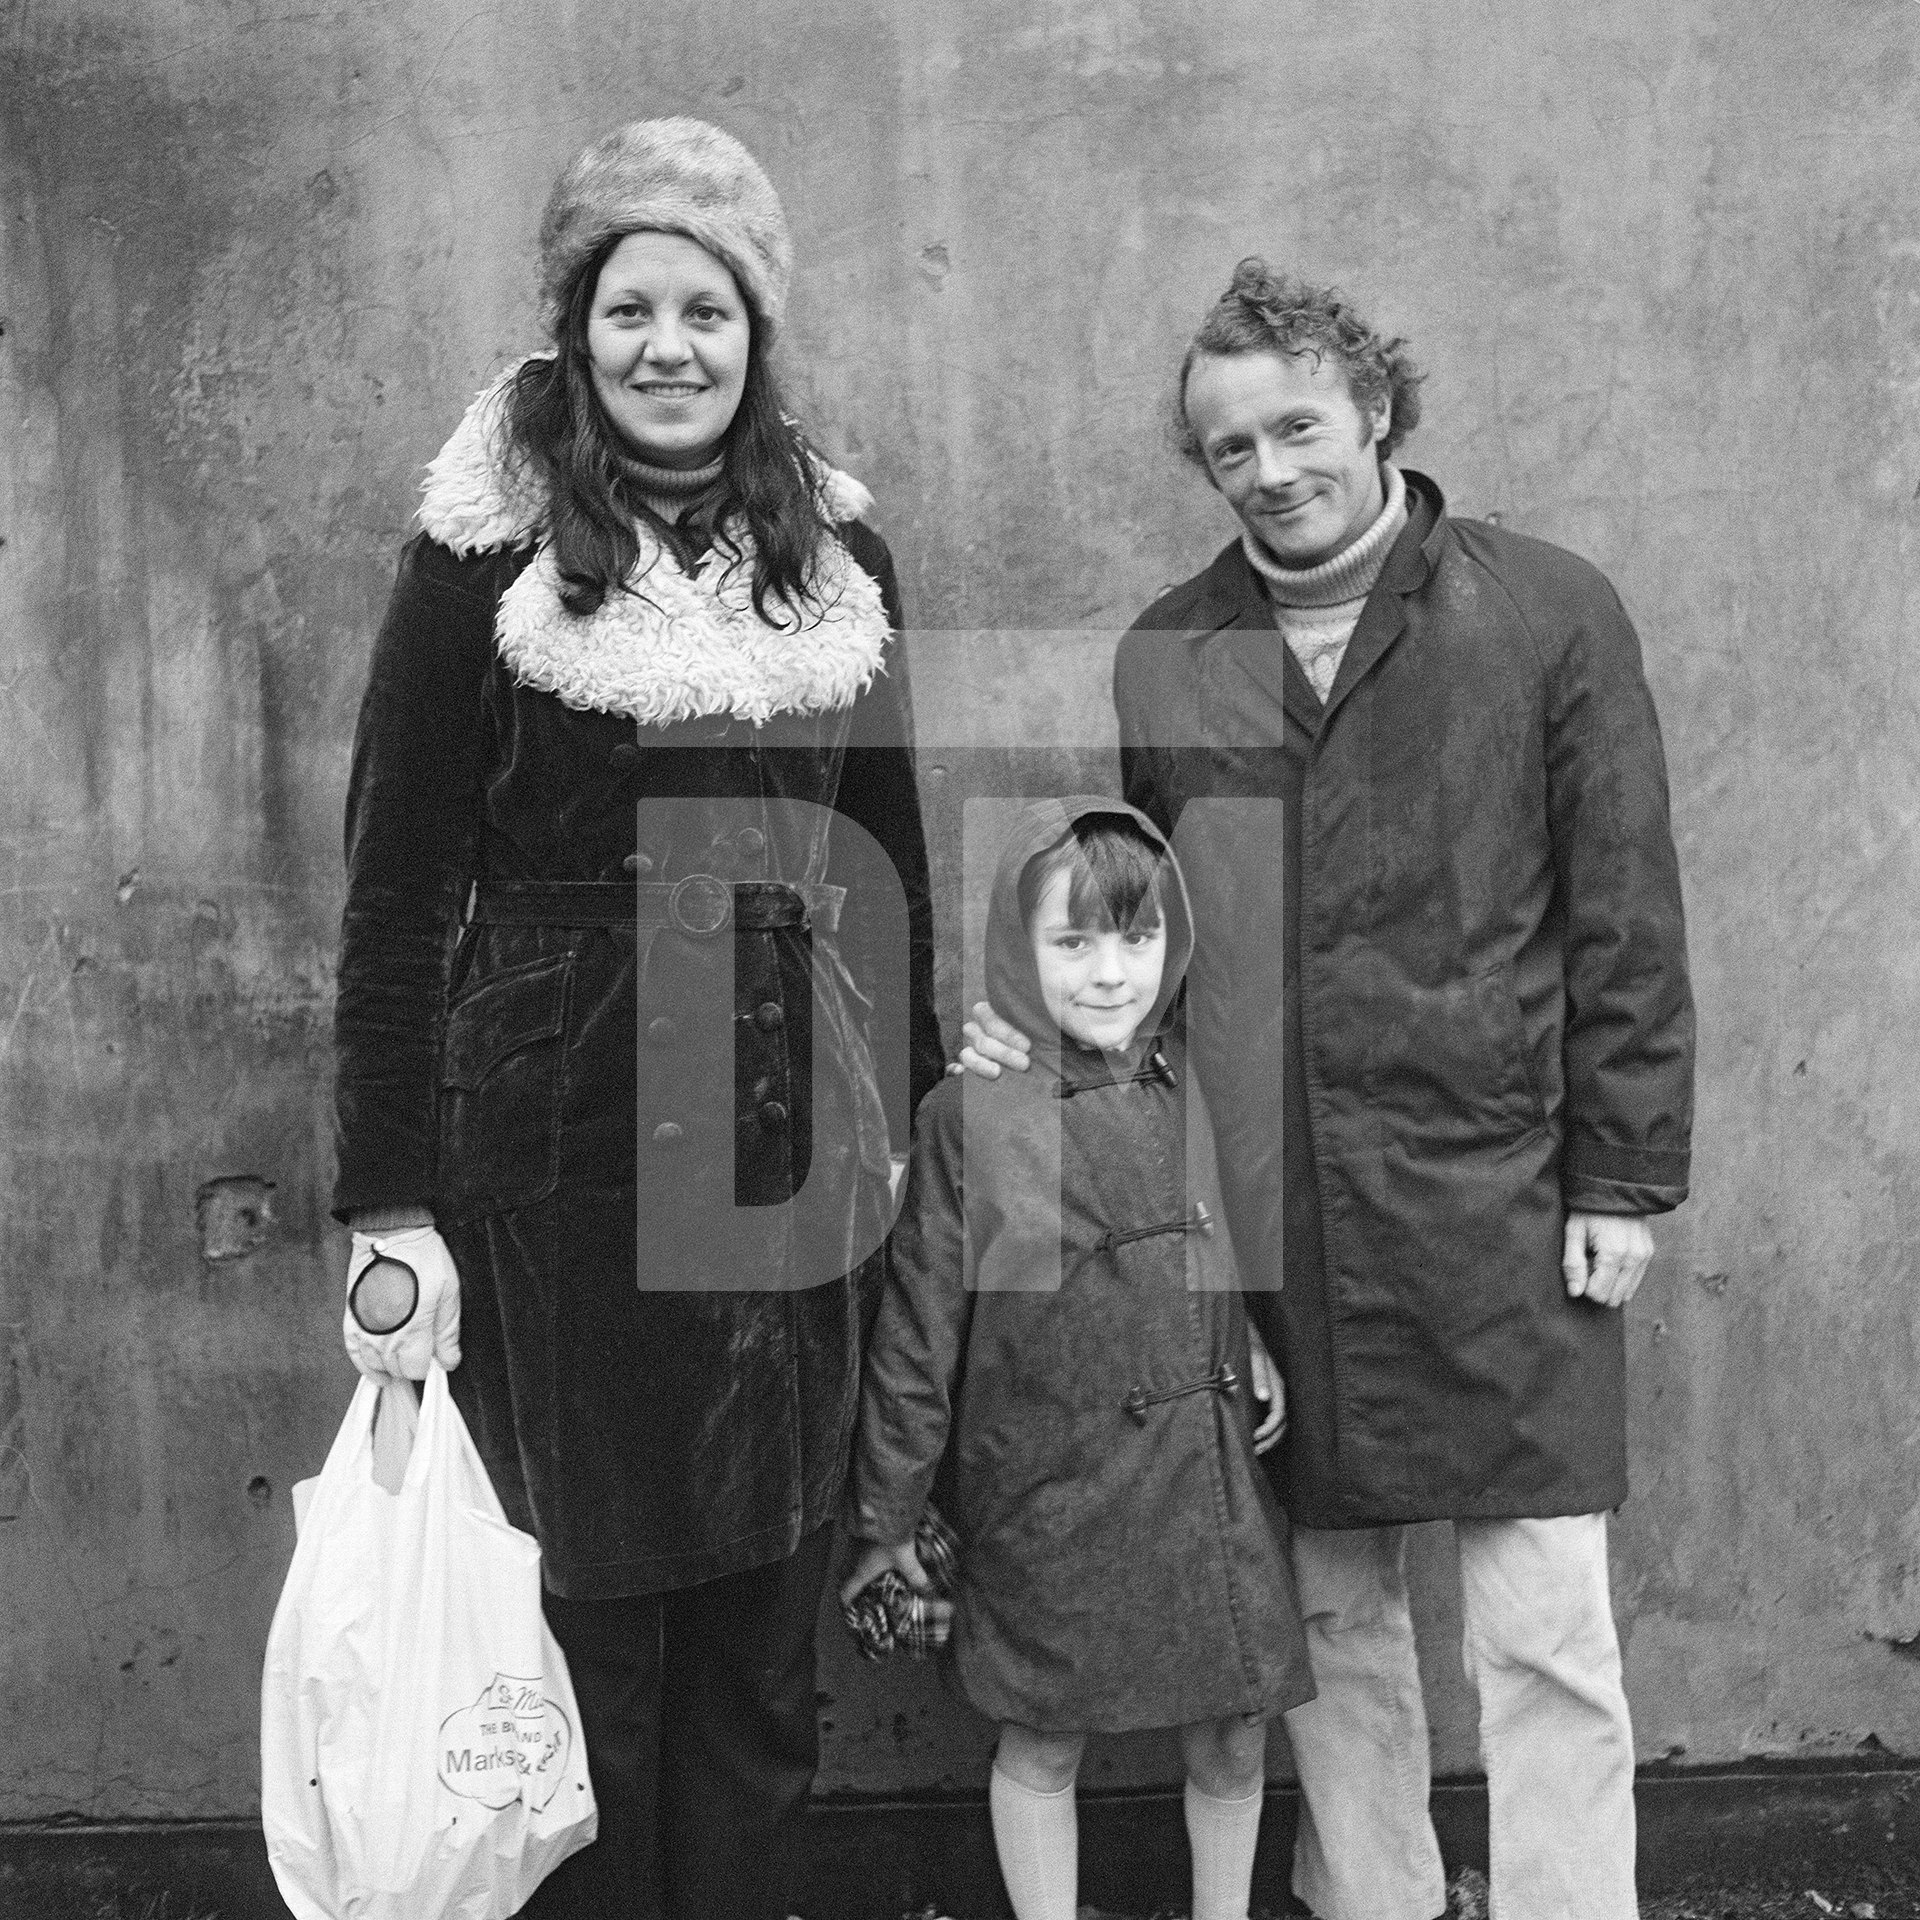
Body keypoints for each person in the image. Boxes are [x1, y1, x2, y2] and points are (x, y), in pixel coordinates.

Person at [961, 262, 1695, 1920]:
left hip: (1503, 1195)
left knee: (1544, 1626)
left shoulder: (1547, 611)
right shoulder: (1170, 657)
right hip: (1269, 1202)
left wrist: (1625, 1175)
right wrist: (1032, 1037)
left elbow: (1626, 908)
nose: (1271, 467)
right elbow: (1146, 925)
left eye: (1297, 423)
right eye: (1229, 448)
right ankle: (1376, 1897)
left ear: (1375, 407)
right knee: (1333, 1623)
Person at [330, 117, 944, 1920]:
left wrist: (905, 1133)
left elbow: (880, 861)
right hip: (551, 1148)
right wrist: (386, 1199)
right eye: (629, 308)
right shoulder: (477, 560)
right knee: (579, 1628)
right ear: (574, 328)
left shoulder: (838, 565)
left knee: (760, 1641)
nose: (667, 345)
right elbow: (391, 896)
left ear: (756, 336)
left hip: (782, 1136)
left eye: (708, 309)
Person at [846, 798, 1314, 1920]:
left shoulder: (1199, 1075)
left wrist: (1244, 1329)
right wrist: (887, 1515)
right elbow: (919, 1332)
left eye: (1139, 939)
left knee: (1237, 1729)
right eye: (1074, 942)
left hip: (1204, 1472)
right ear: (1022, 947)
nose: (1112, 974)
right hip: (1047, 1486)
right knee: (1044, 1734)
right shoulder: (973, 1112)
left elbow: (1217, 1228)